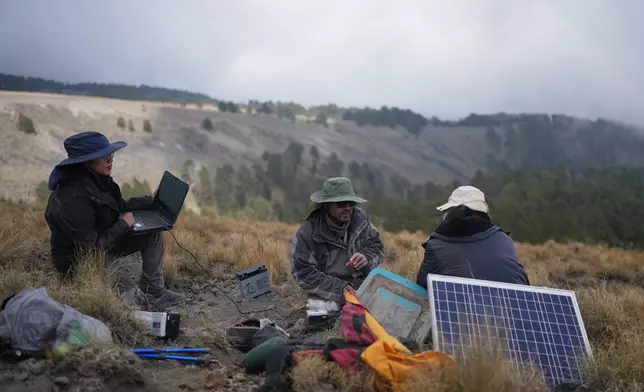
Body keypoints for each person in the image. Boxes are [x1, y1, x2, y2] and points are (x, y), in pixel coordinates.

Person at [44, 131, 185, 311]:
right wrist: (123, 224)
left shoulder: (95, 181)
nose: (110, 159)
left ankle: (154, 290)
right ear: (86, 162)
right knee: (134, 300)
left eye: (110, 154)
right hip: (80, 260)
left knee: (153, 234)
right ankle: (141, 302)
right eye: (103, 156)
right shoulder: (74, 200)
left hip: (101, 243)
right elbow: (91, 251)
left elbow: (117, 206)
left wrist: (148, 200)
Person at [290, 177, 384, 304]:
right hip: (325, 296)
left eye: (351, 203)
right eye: (341, 203)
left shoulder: (360, 220)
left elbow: (377, 246)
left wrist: (366, 258)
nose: (347, 208)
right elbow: (302, 272)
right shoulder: (309, 231)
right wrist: (339, 288)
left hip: (362, 289)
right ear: (327, 205)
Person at [415, 185, 530, 289]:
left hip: (460, 311)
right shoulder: (505, 240)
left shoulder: (436, 246)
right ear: (484, 213)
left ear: (449, 212)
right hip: (518, 309)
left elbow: (422, 290)